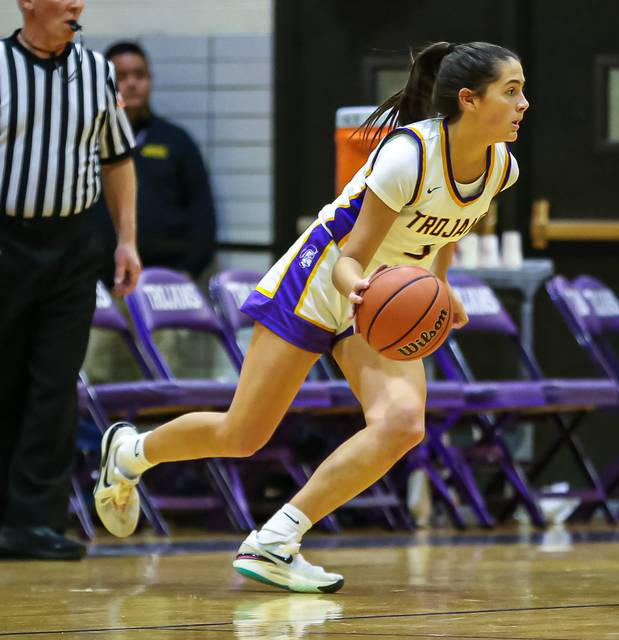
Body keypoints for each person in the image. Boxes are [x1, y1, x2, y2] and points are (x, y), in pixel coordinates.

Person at [94, 41, 527, 591]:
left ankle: (276, 540)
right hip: (323, 278)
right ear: (469, 99)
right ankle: (132, 452)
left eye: (522, 90)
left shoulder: (500, 169)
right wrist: (363, 291)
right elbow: (350, 257)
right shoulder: (407, 157)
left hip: (381, 294)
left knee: (401, 423)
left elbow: (443, 234)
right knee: (242, 433)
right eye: (511, 92)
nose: (523, 104)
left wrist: (441, 288)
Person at [0, 0, 140, 560]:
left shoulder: (99, 71)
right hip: (5, 241)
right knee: (6, 377)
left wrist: (127, 239)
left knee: (55, 384)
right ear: (28, 3)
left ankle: (36, 521)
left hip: (74, 246)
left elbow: (118, 159)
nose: (76, 4)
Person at [92, 41, 216, 282]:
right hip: (98, 283)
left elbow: (202, 211)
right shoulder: (87, 140)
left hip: (165, 280)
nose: (132, 83)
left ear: (150, 80)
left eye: (140, 75)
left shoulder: (176, 140)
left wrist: (190, 269)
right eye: (122, 76)